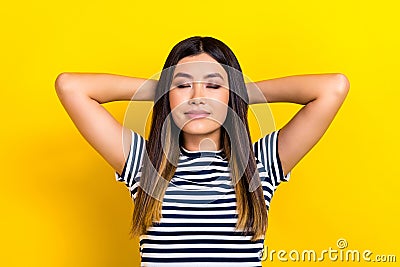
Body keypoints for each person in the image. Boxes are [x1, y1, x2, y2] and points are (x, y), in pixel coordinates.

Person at [55, 36, 349, 266]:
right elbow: (70, 86)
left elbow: (333, 87)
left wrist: (238, 92)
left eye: (212, 85)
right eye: (183, 86)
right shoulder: (144, 165)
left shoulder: (260, 165)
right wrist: (164, 89)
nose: (197, 98)